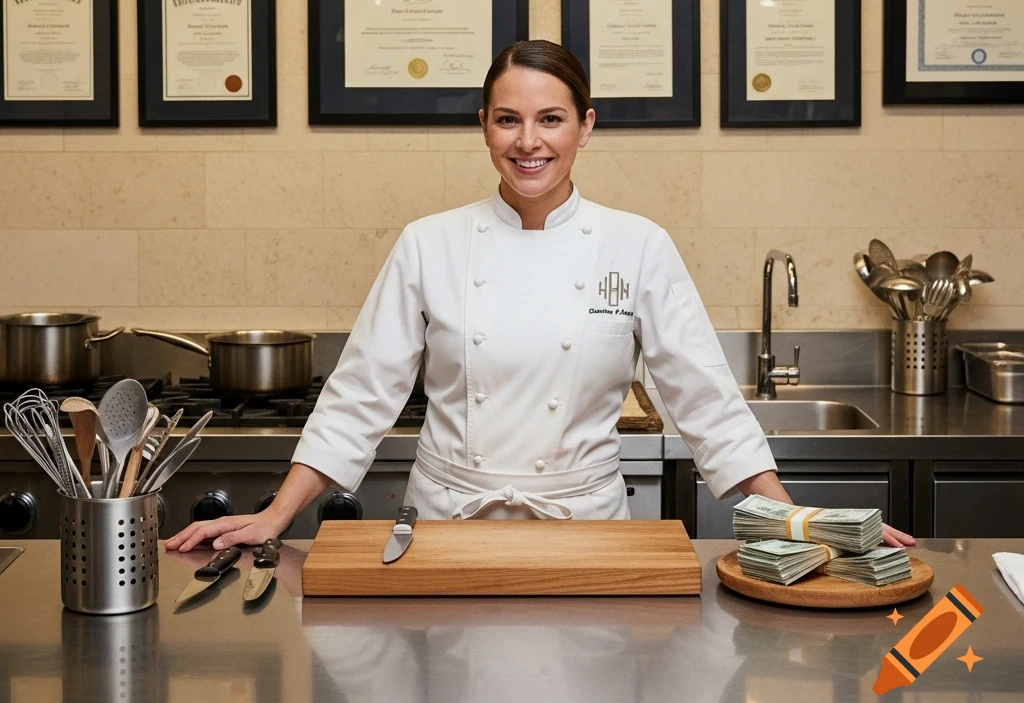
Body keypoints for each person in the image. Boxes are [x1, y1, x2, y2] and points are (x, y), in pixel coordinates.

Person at [168, 40, 914, 552]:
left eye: (551, 119)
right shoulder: (429, 242)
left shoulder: (637, 245)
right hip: (445, 533)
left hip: (585, 533)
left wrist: (799, 520)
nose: (530, 141)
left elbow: (706, 402)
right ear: (484, 128)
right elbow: (361, 395)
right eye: (509, 119)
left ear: (586, 128)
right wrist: (274, 516)